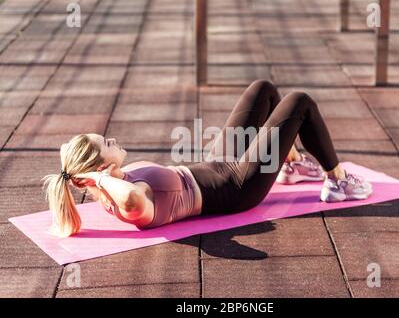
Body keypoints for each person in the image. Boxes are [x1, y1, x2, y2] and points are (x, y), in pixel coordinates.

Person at [42, 79, 372, 237]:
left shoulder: (107, 184)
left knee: (263, 90)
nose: (114, 140)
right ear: (100, 168)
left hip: (216, 162)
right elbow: (130, 197)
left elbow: (69, 164)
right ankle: (339, 182)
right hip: (238, 185)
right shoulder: (131, 204)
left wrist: (82, 168)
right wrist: (99, 178)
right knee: (299, 101)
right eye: (108, 142)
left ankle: (291, 163)